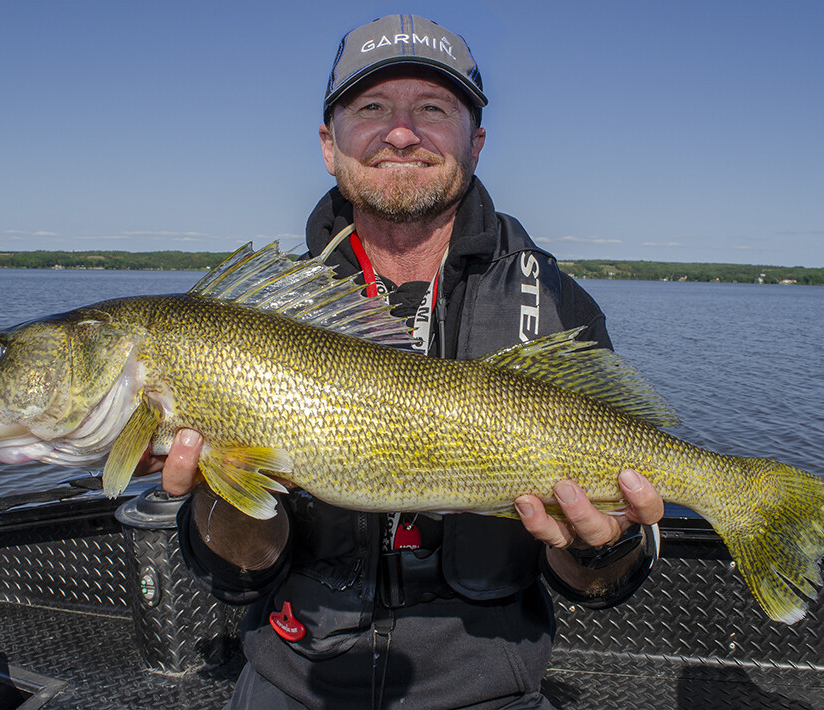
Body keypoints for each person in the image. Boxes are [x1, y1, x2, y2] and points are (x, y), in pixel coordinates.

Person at [139, 15, 665, 710]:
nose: (400, 132)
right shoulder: (264, 319)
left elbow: (599, 584)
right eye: (371, 108)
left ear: (475, 141)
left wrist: (599, 548)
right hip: (293, 678)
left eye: (433, 109)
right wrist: (218, 488)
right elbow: (237, 574)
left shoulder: (558, 305)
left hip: (489, 688)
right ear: (329, 145)